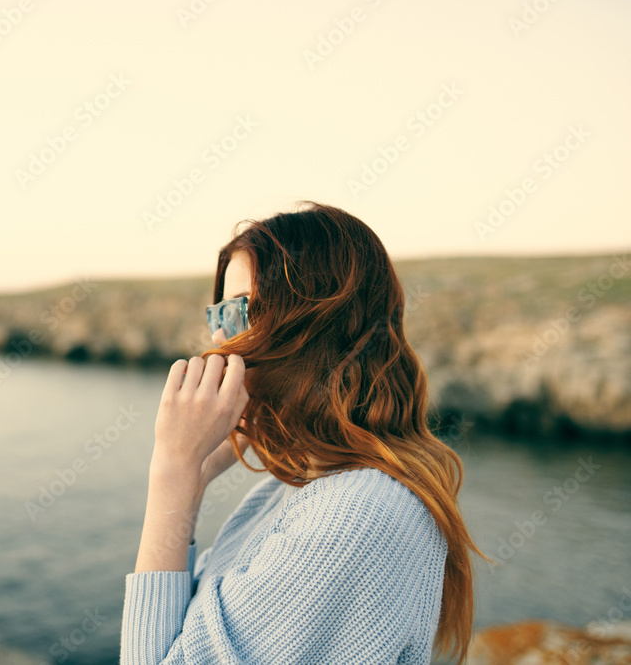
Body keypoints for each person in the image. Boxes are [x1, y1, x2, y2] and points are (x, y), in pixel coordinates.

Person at [120, 201, 491, 664]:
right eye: (218, 315)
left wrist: (171, 472)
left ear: (317, 324)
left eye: (242, 312)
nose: (219, 339)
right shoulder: (291, 490)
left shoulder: (354, 516)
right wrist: (191, 483)